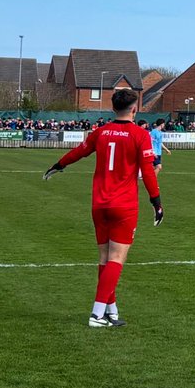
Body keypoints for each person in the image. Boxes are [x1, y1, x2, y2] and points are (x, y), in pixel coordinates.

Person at [42, 88, 163, 328]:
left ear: (112, 108)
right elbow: (148, 171)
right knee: (117, 259)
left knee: (105, 258)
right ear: (135, 109)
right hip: (124, 205)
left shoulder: (101, 132)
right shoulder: (140, 134)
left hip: (99, 204)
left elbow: (80, 152)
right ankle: (96, 314)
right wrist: (156, 202)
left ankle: (111, 311)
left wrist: (58, 164)